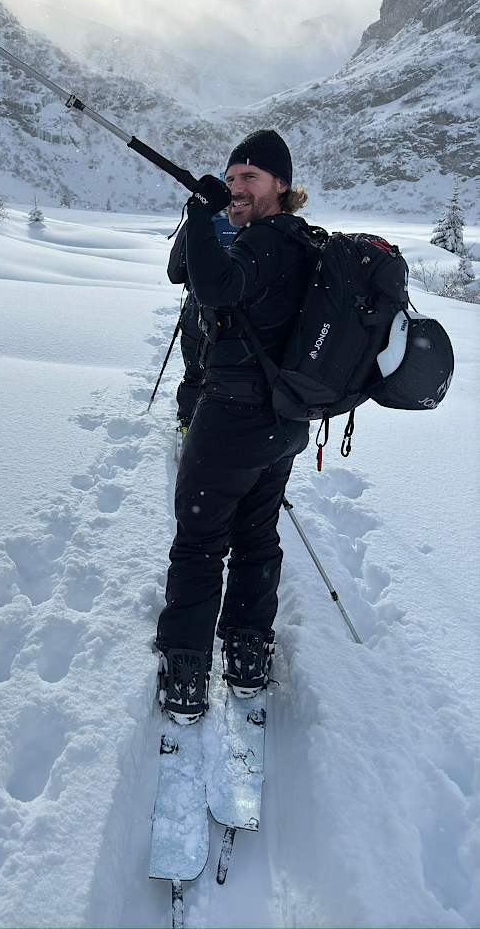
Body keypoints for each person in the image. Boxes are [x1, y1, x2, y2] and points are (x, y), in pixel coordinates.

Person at [156, 129, 312, 724]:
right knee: (256, 533)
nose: (236, 186)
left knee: (199, 539)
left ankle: (188, 666)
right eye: (232, 175)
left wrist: (199, 214)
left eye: (251, 177)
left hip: (232, 420)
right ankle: (247, 653)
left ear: (280, 185)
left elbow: (214, 286)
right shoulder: (298, 241)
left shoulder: (266, 242)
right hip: (284, 423)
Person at [168, 210, 237, 444]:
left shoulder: (201, 221)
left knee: (195, 373)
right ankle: (226, 430)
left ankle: (188, 425)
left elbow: (175, 273)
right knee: (236, 377)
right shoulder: (261, 223)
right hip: (244, 322)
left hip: (198, 314)